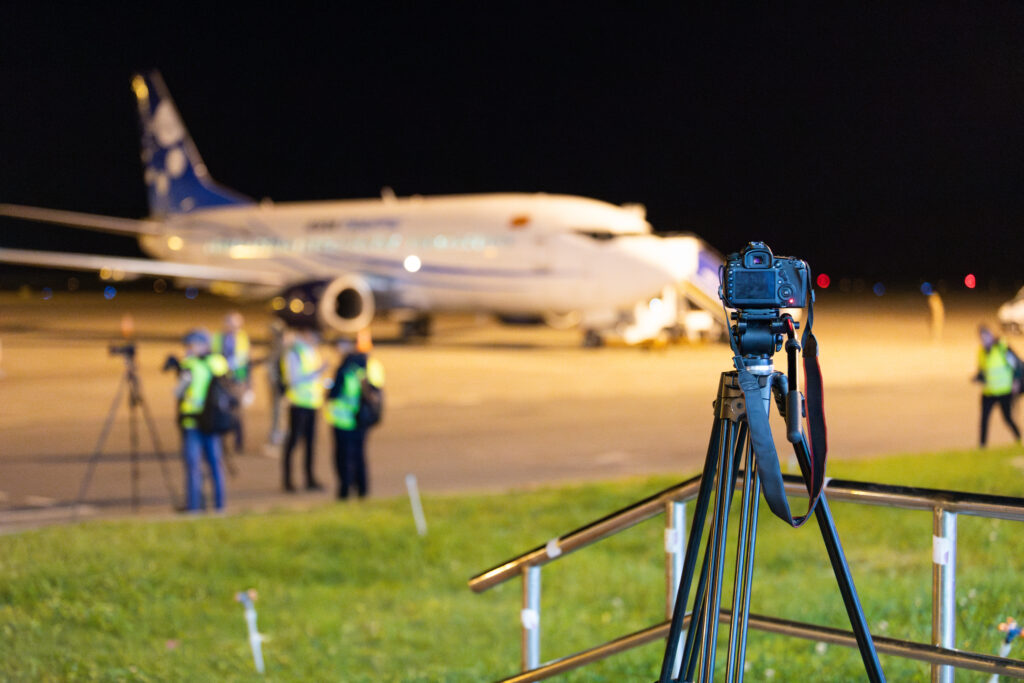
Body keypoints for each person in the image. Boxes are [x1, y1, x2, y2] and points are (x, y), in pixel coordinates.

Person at [326, 329, 384, 499]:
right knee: (359, 456)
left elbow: (334, 394)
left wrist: (328, 389)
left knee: (343, 458)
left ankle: (345, 492)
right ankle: (362, 491)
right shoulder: (369, 365)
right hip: (362, 419)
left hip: (344, 420)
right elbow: (377, 391)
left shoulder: (344, 368)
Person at [175, 328, 230, 512]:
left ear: (203, 345)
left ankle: (194, 507)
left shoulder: (191, 365)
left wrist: (181, 369)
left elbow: (178, 392)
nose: (189, 349)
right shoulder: (218, 362)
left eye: (191, 345)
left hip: (194, 422)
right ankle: (219, 507)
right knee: (215, 465)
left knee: (194, 467)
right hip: (210, 422)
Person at [281, 326, 328, 491]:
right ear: (306, 333)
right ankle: (287, 481)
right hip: (298, 404)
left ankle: (309, 478)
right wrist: (318, 372)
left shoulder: (311, 351)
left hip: (312, 404)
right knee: (293, 442)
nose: (317, 338)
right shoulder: (294, 352)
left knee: (310, 444)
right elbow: (293, 379)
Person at [975, 324, 1022, 447]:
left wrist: (1016, 381)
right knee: (984, 420)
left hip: (1004, 391)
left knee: (1007, 418)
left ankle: (1019, 439)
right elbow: (983, 370)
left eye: (986, 337)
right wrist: (979, 377)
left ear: (991, 335)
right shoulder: (982, 352)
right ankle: (982, 446)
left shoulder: (1002, 347)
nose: (985, 341)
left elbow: (1016, 364)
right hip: (989, 393)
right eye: (982, 338)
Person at [212, 311, 251, 453]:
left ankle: (238, 443)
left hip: (237, 381)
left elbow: (245, 362)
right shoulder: (217, 337)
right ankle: (222, 444)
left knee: (237, 414)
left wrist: (249, 386)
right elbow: (214, 355)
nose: (234, 328)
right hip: (221, 380)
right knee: (221, 411)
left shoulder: (242, 338)